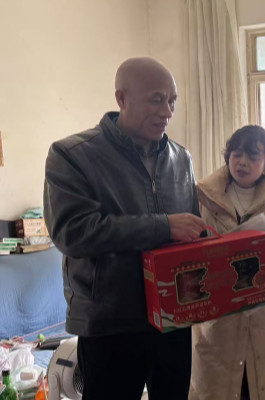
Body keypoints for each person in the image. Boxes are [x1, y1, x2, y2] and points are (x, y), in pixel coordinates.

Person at [44, 57, 206, 400]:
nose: (167, 111)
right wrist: (164, 226)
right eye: (156, 99)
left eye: (172, 101)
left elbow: (191, 232)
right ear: (122, 98)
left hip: (174, 318)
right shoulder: (72, 155)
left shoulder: (181, 158)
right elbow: (73, 232)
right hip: (110, 322)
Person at [189, 125, 265, 400]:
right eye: (237, 154)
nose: (242, 162)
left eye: (253, 157)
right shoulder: (203, 199)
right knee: (222, 388)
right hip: (219, 320)